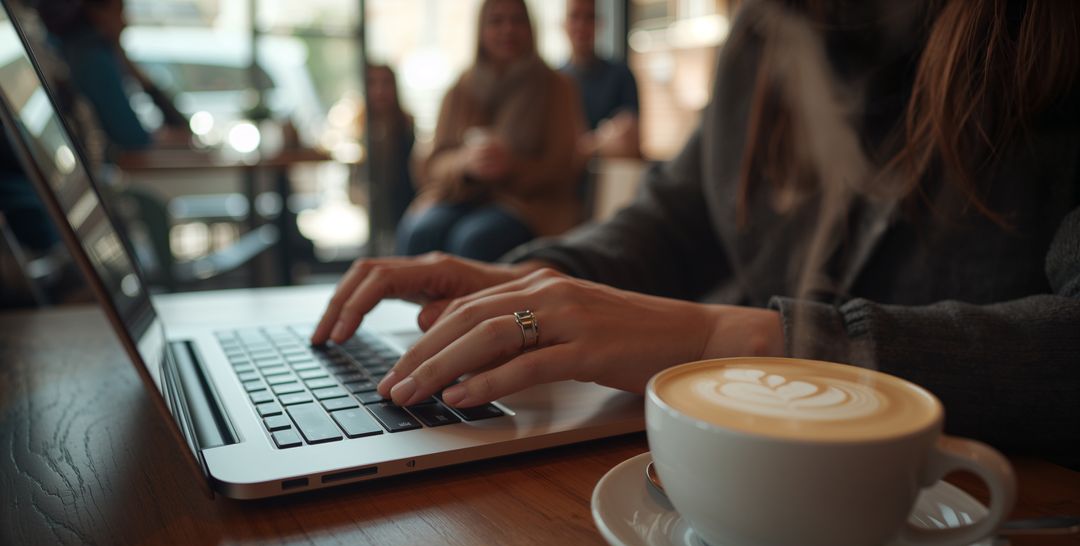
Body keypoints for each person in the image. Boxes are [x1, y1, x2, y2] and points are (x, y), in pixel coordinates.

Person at [312, 1, 1080, 470]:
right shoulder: (766, 34)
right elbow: (675, 218)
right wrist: (529, 283)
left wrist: (737, 336)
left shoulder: (1047, 44)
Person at [396, 0, 586, 262]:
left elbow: (564, 166)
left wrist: (512, 166)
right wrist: (464, 162)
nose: (507, 29)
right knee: (421, 232)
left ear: (531, 28)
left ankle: (472, 305)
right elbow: (432, 164)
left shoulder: (556, 87)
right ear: (481, 30)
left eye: (517, 20)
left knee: (474, 239)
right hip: (463, 195)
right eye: (496, 21)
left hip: (528, 204)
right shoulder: (462, 87)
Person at [37, 0, 189, 152]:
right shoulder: (94, 59)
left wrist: (131, 68)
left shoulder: (83, 51)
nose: (124, 22)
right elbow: (133, 141)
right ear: (97, 14)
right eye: (118, 12)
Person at [561, 0, 641, 159]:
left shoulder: (620, 75)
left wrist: (579, 149)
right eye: (574, 16)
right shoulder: (555, 81)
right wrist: (604, 137)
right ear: (564, 24)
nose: (581, 25)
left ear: (599, 24)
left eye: (589, 17)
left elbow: (627, 137)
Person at [364, 64, 417, 256]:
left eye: (386, 83)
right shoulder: (360, 127)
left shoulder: (405, 125)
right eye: (372, 83)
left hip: (401, 204)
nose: (379, 91)